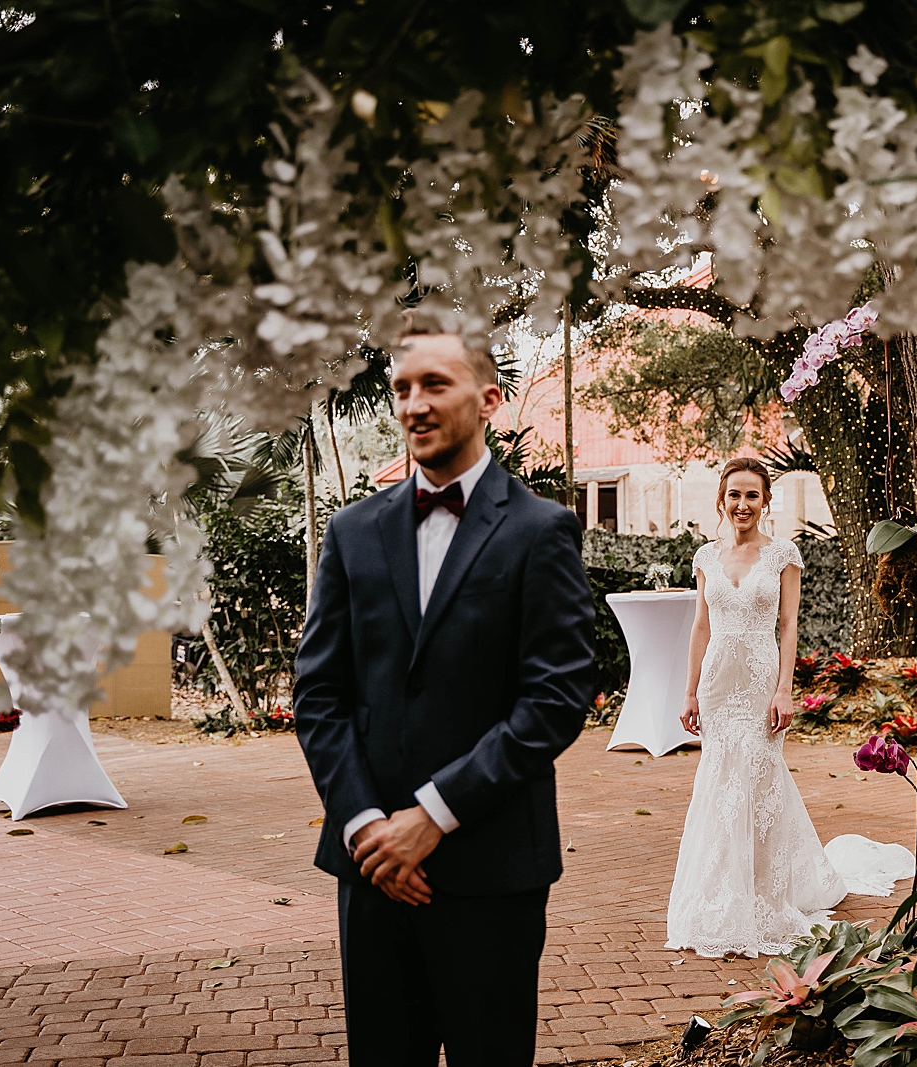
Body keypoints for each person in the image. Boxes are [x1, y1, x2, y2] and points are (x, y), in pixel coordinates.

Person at [294, 308, 594, 1065]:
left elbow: (556, 698)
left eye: (435, 382)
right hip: (372, 874)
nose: (414, 404)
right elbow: (319, 693)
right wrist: (367, 825)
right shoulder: (352, 532)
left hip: (491, 872)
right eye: (401, 387)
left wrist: (431, 816)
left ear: (489, 399)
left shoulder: (541, 530)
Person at [667, 457, 913, 958]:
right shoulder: (705, 557)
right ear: (721, 499)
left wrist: (785, 689)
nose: (742, 504)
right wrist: (690, 691)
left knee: (759, 778)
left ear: (765, 502)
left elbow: (788, 627)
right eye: (734, 495)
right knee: (720, 782)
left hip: (760, 681)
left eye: (752, 496)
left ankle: (766, 895)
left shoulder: (784, 554)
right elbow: (700, 626)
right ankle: (721, 893)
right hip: (718, 684)